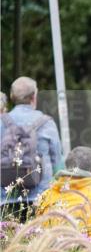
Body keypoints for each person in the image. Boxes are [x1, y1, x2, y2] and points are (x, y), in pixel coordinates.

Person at [0, 77, 63, 219]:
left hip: (5, 198)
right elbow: (57, 161)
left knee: (10, 239)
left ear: (11, 96)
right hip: (40, 198)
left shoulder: (1, 122)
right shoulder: (47, 123)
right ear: (34, 96)